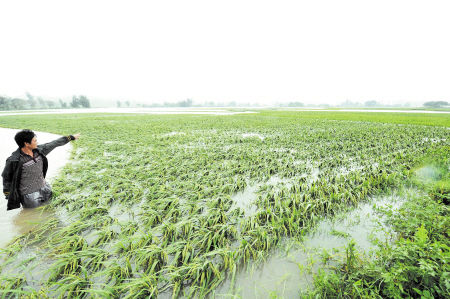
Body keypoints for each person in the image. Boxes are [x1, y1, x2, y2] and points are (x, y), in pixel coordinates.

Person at [2, 129, 80, 210]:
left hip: (45, 188)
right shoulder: (14, 161)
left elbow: (55, 143)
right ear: (26, 143)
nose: (37, 142)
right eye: (35, 141)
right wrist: (8, 195)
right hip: (29, 196)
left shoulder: (39, 151)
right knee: (33, 214)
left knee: (51, 210)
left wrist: (71, 137)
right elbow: (6, 178)